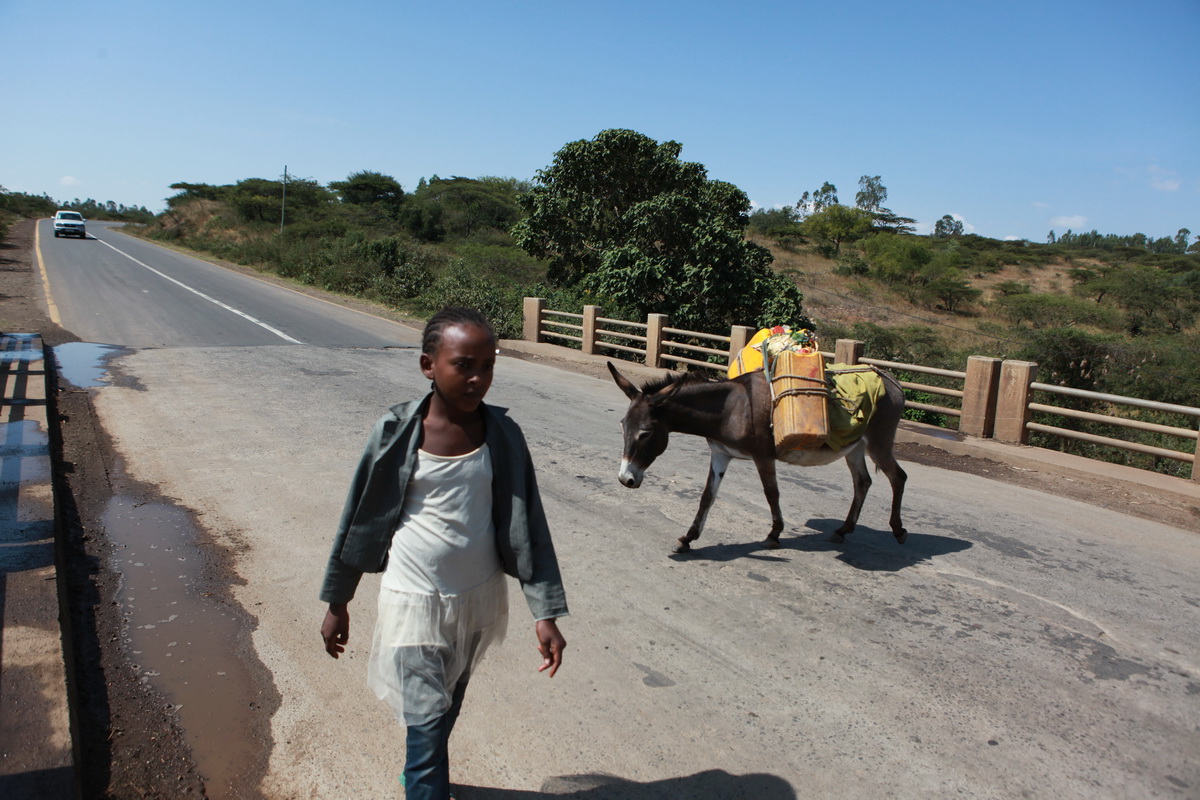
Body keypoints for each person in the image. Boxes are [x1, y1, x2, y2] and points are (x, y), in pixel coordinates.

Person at [319, 306, 568, 800]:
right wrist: (337, 600)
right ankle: (424, 782)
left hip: (475, 599)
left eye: (488, 366)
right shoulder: (395, 433)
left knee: (444, 707)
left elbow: (529, 525)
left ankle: (419, 773)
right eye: (464, 365)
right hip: (412, 600)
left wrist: (545, 612)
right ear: (428, 365)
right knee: (429, 720)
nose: (478, 378)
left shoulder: (503, 436)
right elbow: (358, 520)